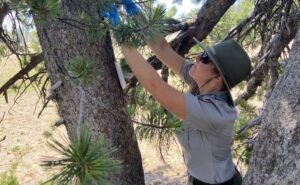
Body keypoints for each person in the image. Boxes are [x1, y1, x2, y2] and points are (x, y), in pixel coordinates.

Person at [103, 1, 251, 184]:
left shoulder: (216, 113)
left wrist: (120, 32)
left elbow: (154, 85)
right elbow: (163, 50)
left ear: (218, 78)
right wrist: (135, 12)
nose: (197, 57)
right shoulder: (203, 84)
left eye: (205, 58)